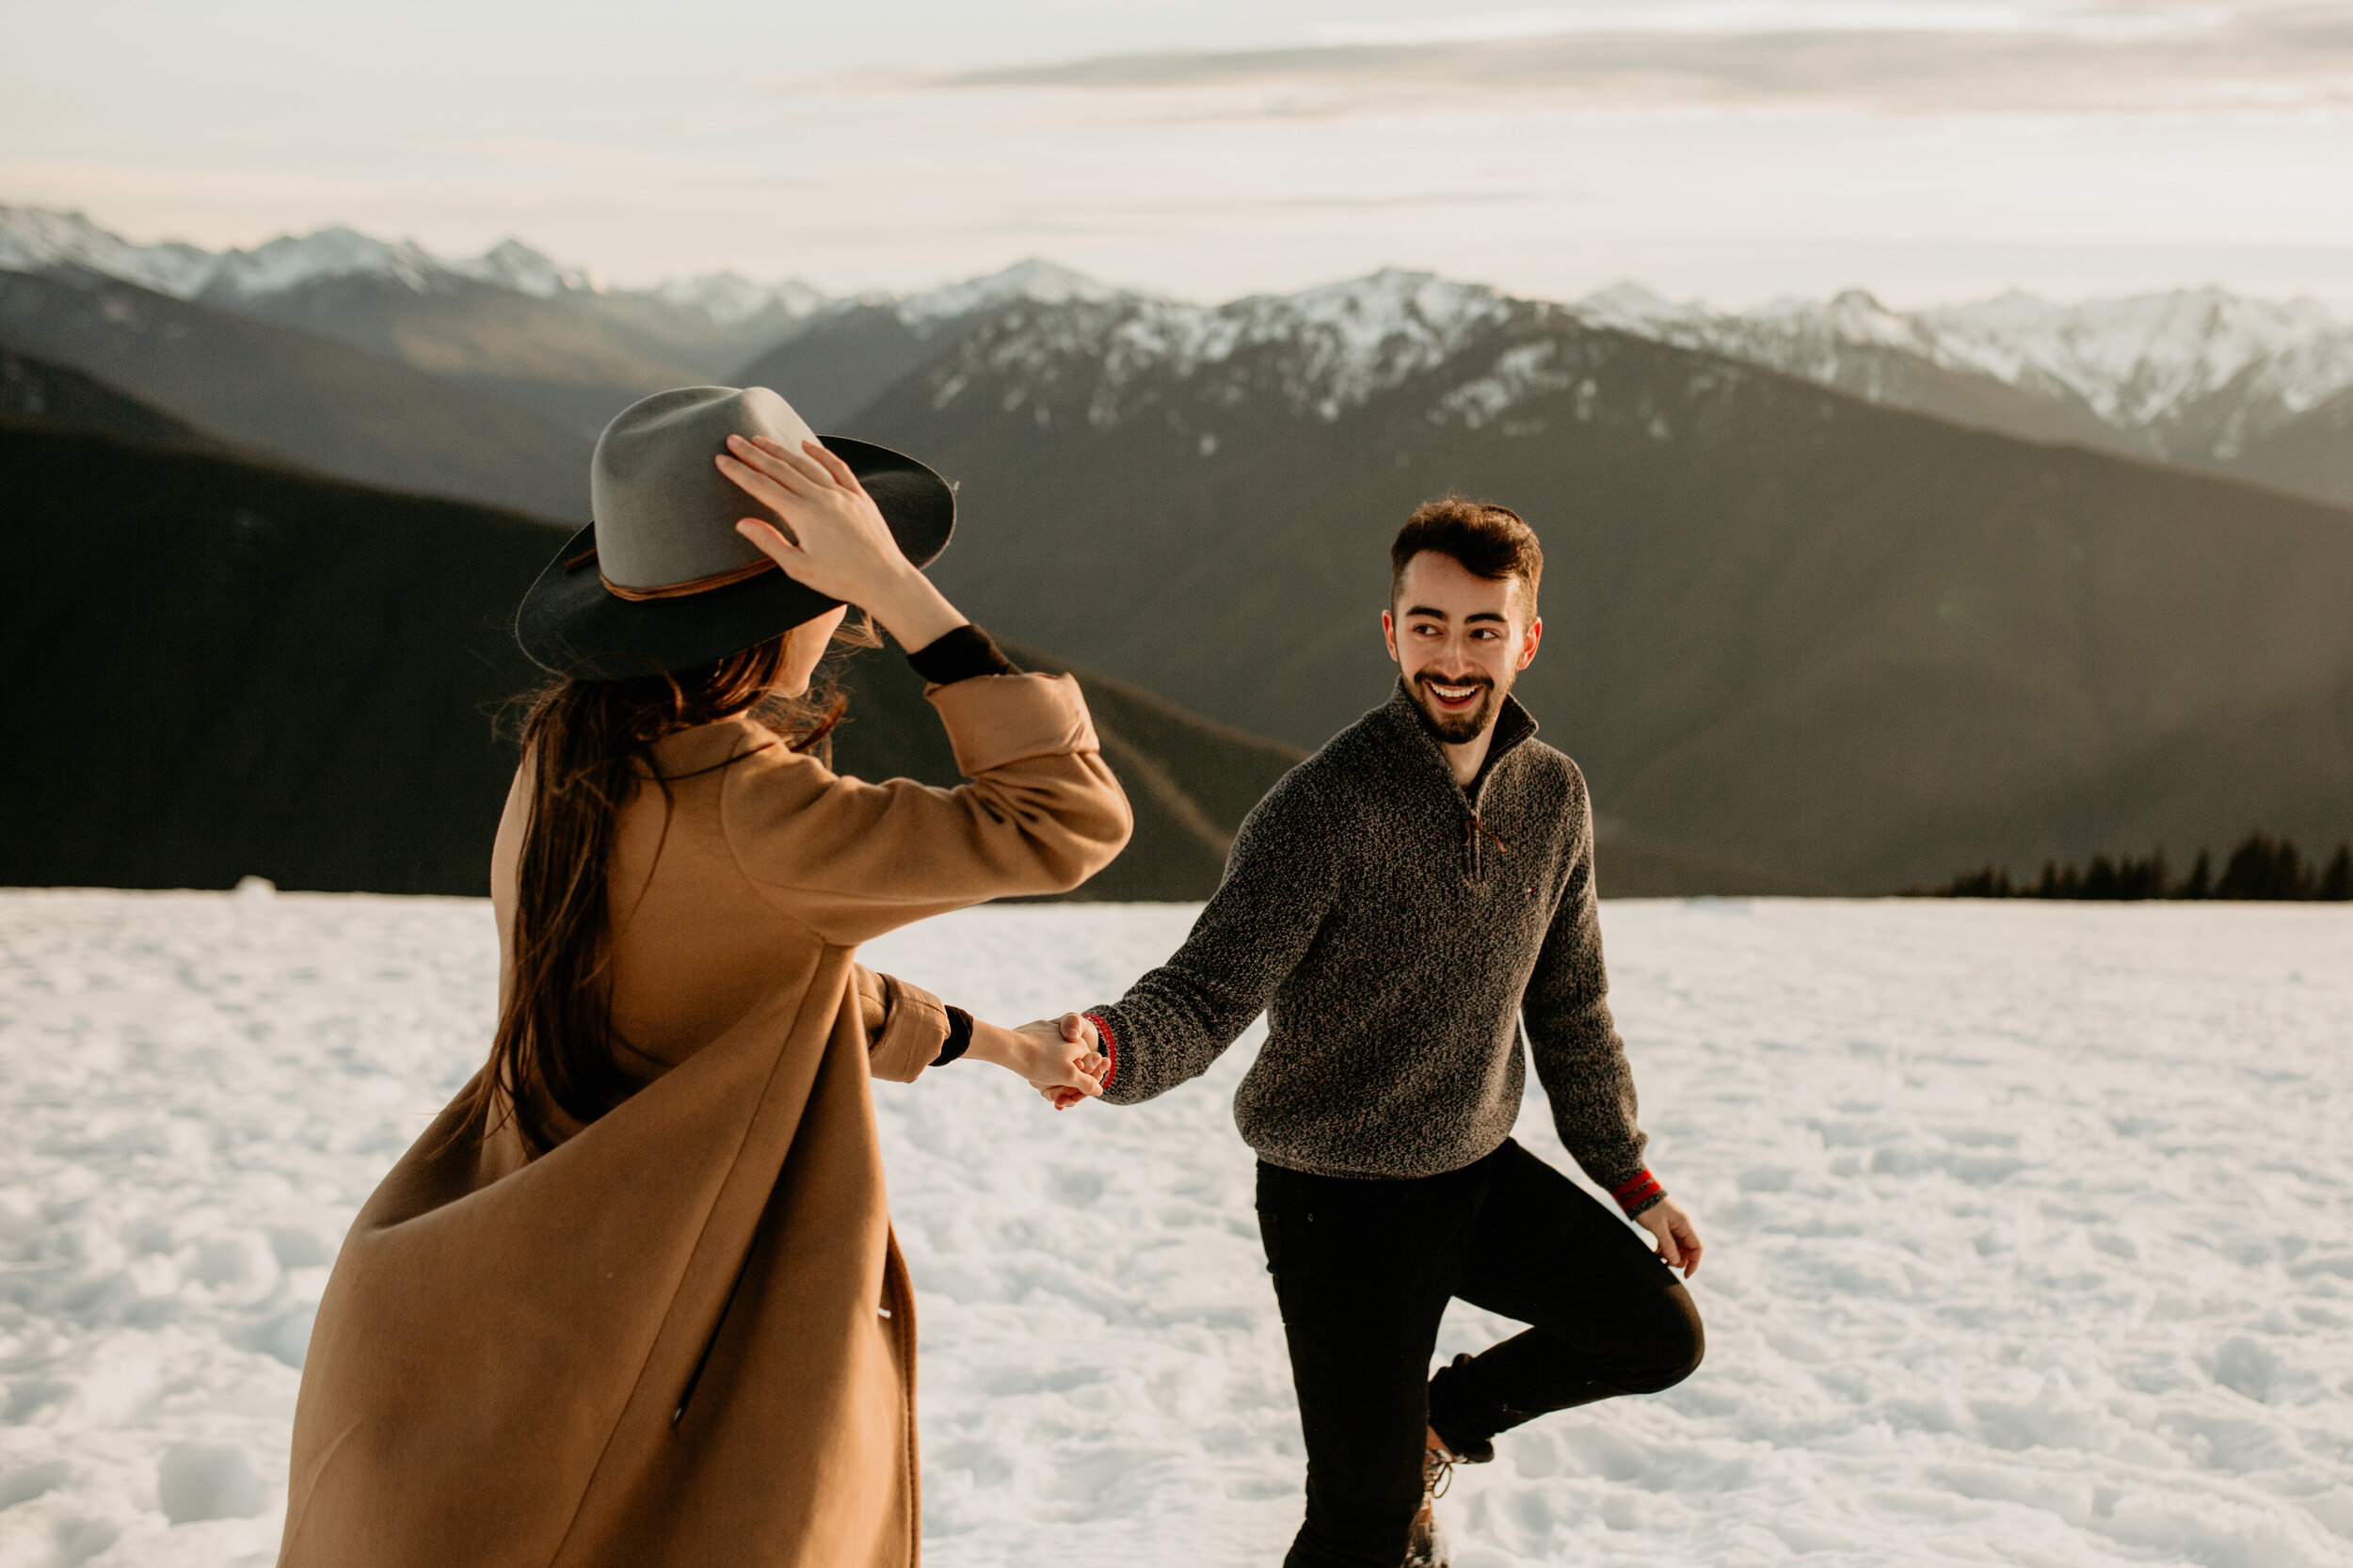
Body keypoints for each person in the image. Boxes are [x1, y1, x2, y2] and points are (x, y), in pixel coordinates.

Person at [278, 386, 1131, 1567]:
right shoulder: (752, 804)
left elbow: (762, 986)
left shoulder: (570, 752)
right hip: (651, 1349)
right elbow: (1068, 815)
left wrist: (1003, 1044)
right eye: (834, 587)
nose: (847, 615)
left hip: (477, 1324)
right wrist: (904, 589)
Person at [1047, 499, 1705, 1568]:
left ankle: (1435, 1423)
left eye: (1482, 628)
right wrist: (1110, 1049)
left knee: (1656, 1332)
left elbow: (1570, 1004)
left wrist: (1629, 1176)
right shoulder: (1321, 809)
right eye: (1430, 624)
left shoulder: (1552, 796)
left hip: (1475, 1171)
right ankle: (1396, 1477)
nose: (1454, 656)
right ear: (1389, 629)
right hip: (1335, 1203)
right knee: (1362, 1524)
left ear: (1525, 640)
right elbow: (1209, 990)